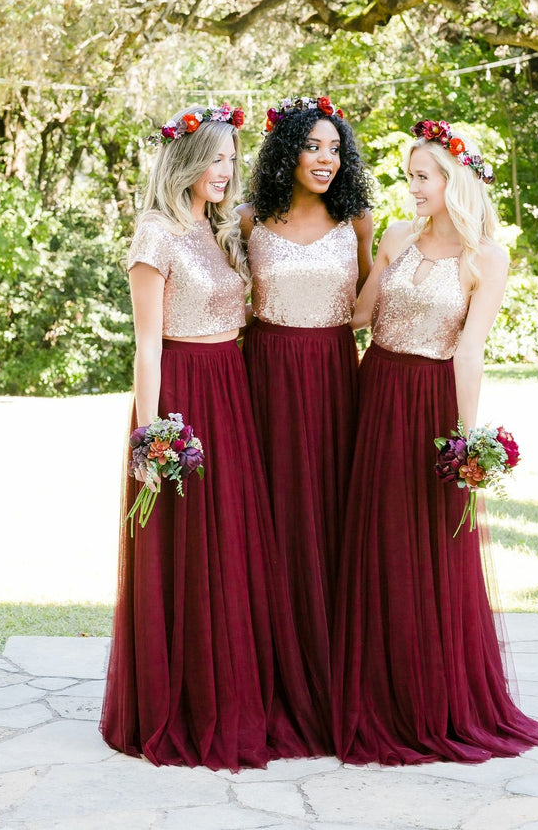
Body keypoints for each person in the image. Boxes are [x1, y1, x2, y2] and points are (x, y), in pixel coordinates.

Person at [100, 103, 324, 769]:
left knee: (230, 546)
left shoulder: (219, 229)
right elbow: (146, 347)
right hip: (184, 399)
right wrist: (151, 435)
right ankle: (186, 699)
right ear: (187, 159)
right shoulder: (155, 233)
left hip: (233, 390)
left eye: (232, 159)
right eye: (217, 158)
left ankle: (236, 688)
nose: (227, 171)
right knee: (186, 549)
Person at [332, 118, 538, 765]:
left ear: (452, 179)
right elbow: (362, 316)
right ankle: (370, 691)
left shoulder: (487, 256)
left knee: (424, 545)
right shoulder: (399, 235)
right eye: (409, 177)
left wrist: (463, 443)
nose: (413, 188)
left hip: (430, 405)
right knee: (374, 541)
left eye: (421, 177)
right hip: (376, 394)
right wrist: (382, 259)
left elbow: (470, 352)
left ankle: (432, 696)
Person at [238, 95, 373, 750]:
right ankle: (268, 671)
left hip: (333, 377)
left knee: (330, 515)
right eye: (313, 146)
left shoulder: (359, 221)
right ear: (286, 150)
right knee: (272, 517)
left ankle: (333, 669)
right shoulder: (249, 220)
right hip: (263, 377)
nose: (326, 158)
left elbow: (382, 300)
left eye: (335, 149)